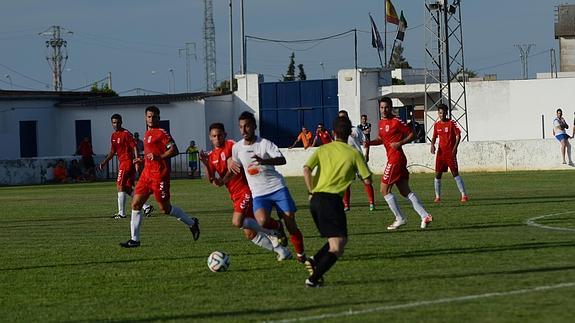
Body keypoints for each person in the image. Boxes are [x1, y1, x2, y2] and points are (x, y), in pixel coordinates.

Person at [199, 123, 291, 260]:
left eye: (219, 135)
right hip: (234, 195)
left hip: (246, 190)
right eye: (214, 136)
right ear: (210, 138)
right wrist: (206, 165)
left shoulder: (231, 145)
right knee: (250, 233)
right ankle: (282, 251)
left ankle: (273, 230)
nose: (217, 138)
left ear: (225, 135)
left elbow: (238, 154)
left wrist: (231, 159)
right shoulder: (211, 157)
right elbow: (215, 183)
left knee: (237, 222)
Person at [303, 116, 372, 287]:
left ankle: (314, 261)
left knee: (338, 239)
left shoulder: (323, 149)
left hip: (315, 200)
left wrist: (311, 191)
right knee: (337, 246)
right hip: (332, 201)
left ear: (333, 132)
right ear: (350, 133)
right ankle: (313, 279)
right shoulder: (354, 153)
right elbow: (368, 180)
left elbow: (306, 169)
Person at [230, 111, 307, 263]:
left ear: (254, 127)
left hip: (277, 188)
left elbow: (282, 159)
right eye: (241, 127)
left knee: (291, 223)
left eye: (247, 126)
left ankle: (301, 254)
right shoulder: (237, 148)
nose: (244, 130)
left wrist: (264, 161)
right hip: (258, 193)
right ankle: (278, 227)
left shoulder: (265, 144)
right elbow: (236, 166)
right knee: (262, 222)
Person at [119, 105, 200, 248]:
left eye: (154, 116)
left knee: (165, 209)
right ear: (145, 118)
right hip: (146, 175)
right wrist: (142, 160)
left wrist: (160, 156)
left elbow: (174, 150)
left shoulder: (162, 133)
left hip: (159, 176)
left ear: (159, 118)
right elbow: (152, 155)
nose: (151, 119)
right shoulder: (146, 133)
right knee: (136, 204)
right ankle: (135, 240)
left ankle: (192, 223)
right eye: (149, 116)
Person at [365, 97, 433, 230]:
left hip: (396, 159)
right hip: (395, 159)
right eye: (382, 107)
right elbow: (381, 139)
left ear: (391, 108)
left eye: (386, 107)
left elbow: (412, 134)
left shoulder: (396, 121)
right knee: (404, 191)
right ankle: (425, 215)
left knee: (384, 190)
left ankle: (400, 218)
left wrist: (400, 143)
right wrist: (370, 143)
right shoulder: (381, 123)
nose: (384, 110)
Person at [98, 114, 154, 219]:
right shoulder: (114, 136)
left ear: (121, 122)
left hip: (127, 163)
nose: (116, 124)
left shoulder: (126, 134)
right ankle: (146, 206)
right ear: (111, 123)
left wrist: (137, 161)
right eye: (114, 123)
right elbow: (112, 151)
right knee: (127, 188)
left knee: (120, 185)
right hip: (123, 163)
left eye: (118, 122)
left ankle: (121, 213)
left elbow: (135, 147)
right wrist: (105, 162)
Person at [338, 110, 375, 211]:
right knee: (346, 183)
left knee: (366, 180)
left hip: (358, 159)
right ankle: (346, 205)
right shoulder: (338, 132)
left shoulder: (355, 130)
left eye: (344, 117)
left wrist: (367, 154)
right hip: (346, 160)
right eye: (341, 117)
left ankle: (372, 203)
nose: (343, 119)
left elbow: (366, 141)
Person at [430, 104, 469, 203]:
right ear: (438, 113)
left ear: (446, 113)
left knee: (455, 173)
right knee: (438, 174)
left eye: (443, 113)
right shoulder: (437, 125)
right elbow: (434, 137)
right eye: (440, 113)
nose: (441, 115)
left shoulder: (451, 123)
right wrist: (432, 145)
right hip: (441, 153)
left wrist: (455, 148)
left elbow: (458, 135)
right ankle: (438, 197)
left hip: (450, 153)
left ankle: (464, 195)